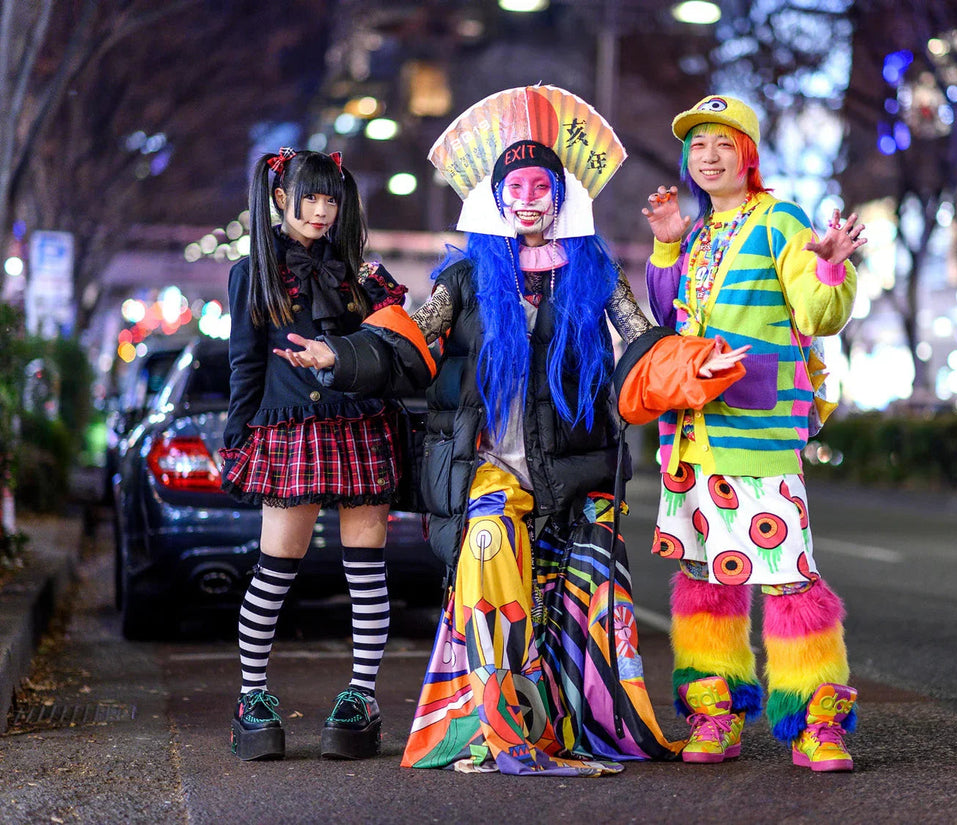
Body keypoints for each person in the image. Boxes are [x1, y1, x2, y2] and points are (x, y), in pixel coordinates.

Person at [275, 86, 748, 776]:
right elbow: (408, 346)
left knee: (585, 582)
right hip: (489, 465)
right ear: (497, 199)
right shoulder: (464, 278)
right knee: (489, 542)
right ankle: (503, 723)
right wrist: (337, 355)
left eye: (541, 186)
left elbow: (645, 347)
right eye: (515, 187)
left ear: (560, 195)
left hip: (576, 467)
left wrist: (700, 363)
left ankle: (579, 718)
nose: (528, 198)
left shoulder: (591, 270)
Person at [639, 95, 866, 771]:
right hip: (692, 435)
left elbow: (819, 313)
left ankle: (816, 723)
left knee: (790, 580)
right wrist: (667, 243)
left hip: (758, 431)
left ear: (749, 154)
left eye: (722, 144)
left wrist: (829, 264)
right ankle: (714, 714)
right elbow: (666, 313)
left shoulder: (780, 222)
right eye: (698, 146)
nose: (707, 157)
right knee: (707, 583)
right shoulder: (701, 231)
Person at [220, 148, 408, 761]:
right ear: (280, 198)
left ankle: (359, 698)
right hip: (289, 430)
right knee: (275, 569)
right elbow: (244, 366)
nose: (322, 211)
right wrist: (237, 437)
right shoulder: (255, 272)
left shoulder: (364, 275)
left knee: (366, 570)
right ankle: (252, 698)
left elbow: (391, 357)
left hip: (357, 423)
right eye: (310, 198)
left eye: (332, 199)